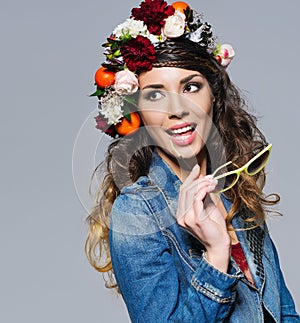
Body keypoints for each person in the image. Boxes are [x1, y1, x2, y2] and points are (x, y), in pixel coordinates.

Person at [85, 1, 300, 322]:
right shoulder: (137, 212)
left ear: (213, 95)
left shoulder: (236, 187)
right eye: (155, 94)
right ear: (138, 111)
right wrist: (215, 257)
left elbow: (284, 311)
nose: (178, 109)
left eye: (191, 87)